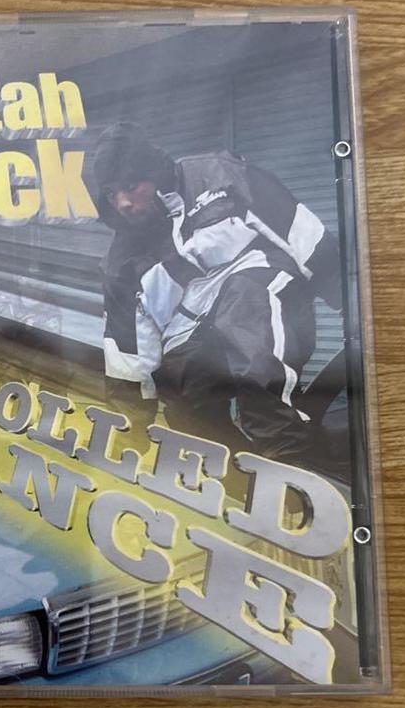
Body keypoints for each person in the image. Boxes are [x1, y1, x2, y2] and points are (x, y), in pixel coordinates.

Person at [92, 122, 341, 462]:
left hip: (266, 290)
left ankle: (290, 454)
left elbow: (299, 229)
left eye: (131, 186)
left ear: (153, 173)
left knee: (246, 318)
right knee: (184, 397)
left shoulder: (217, 175)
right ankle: (228, 471)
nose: (122, 202)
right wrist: (129, 431)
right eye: (111, 194)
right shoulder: (121, 265)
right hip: (197, 321)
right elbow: (127, 349)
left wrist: (348, 300)